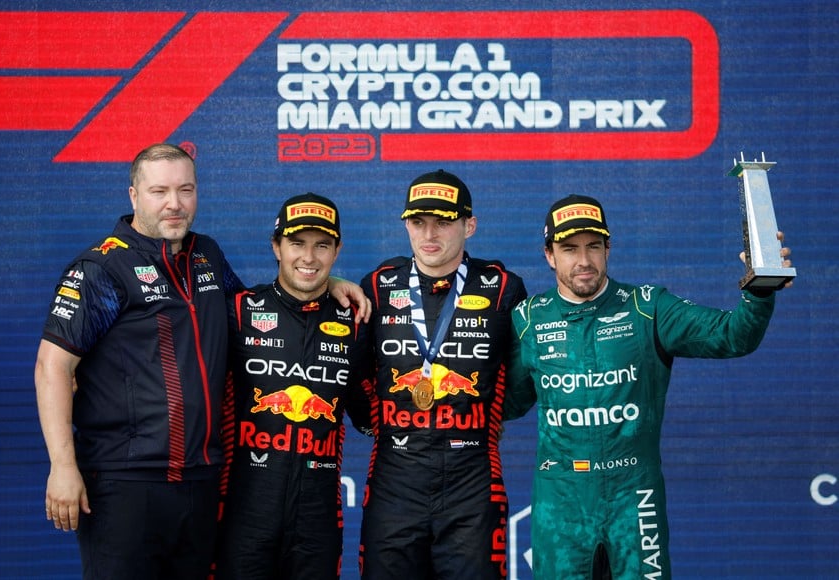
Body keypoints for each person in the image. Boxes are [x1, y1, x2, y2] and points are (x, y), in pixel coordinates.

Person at [34, 144, 368, 580]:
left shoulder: (206, 255)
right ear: (134, 195)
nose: (174, 203)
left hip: (201, 483)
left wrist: (325, 281)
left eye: (185, 189)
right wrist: (62, 466)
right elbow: (52, 367)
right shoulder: (103, 267)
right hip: (125, 482)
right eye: (159, 191)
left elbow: (264, 314)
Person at [503, 194, 794, 579]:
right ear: (549, 256)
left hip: (634, 496)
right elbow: (505, 403)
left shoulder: (648, 307)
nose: (584, 260)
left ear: (609, 248)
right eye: (569, 249)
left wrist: (760, 288)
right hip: (561, 502)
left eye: (593, 246)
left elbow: (733, 336)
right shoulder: (528, 320)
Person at [356, 169, 528, 579]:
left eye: (444, 221)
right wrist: (378, 425)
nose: (429, 233)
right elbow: (354, 375)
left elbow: (525, 377)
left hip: (472, 478)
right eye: (418, 222)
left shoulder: (503, 287)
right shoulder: (378, 285)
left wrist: (486, 419)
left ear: (469, 225)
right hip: (395, 476)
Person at [214, 193, 370, 580]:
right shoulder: (237, 311)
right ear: (276, 247)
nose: (309, 257)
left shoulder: (355, 324)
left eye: (322, 246)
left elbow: (372, 416)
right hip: (243, 510)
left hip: (317, 518)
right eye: (297, 244)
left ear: (337, 251)